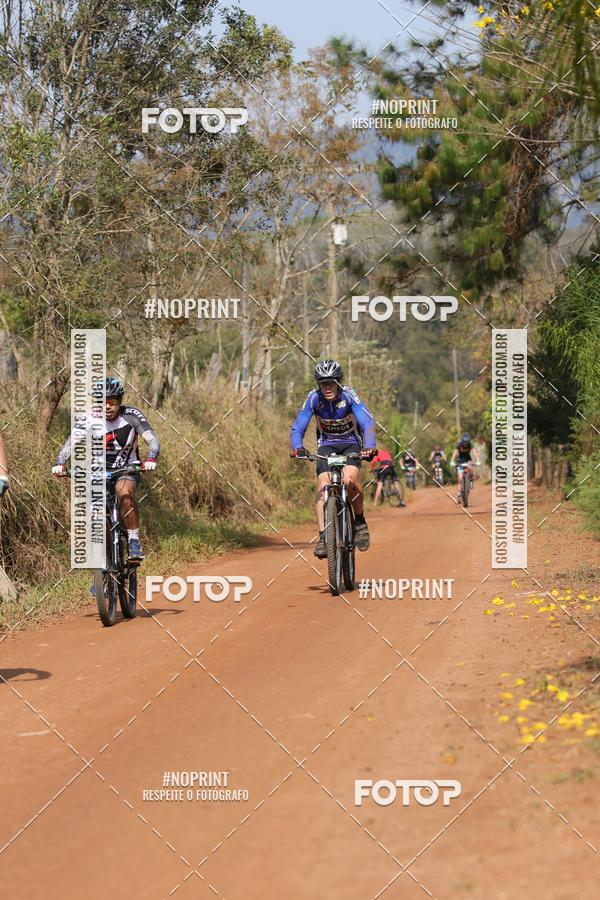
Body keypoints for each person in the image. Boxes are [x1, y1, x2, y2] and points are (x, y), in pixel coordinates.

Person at [52, 377, 159, 560]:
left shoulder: (131, 415)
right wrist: (60, 463)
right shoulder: (89, 418)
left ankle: (133, 540)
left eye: (112, 402)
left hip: (126, 469)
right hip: (97, 471)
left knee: (124, 493)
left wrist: (151, 458)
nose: (107, 407)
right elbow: (71, 443)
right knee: (89, 509)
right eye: (102, 402)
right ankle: (99, 561)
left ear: (120, 401)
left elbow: (152, 439)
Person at [290, 359, 377, 559]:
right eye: (323, 383)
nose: (327, 387)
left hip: (350, 445)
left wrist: (369, 446)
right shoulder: (313, 398)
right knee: (323, 485)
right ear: (318, 384)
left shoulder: (349, 395)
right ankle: (323, 537)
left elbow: (367, 422)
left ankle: (359, 521)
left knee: (349, 480)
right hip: (326, 446)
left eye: (332, 382)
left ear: (339, 382)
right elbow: (298, 427)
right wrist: (298, 447)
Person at [450, 432, 480, 499]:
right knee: (460, 478)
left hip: (468, 459)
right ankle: (459, 493)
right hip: (460, 460)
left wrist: (478, 460)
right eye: (464, 442)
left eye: (467, 443)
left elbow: (474, 452)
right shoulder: (459, 444)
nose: (465, 444)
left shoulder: (470, 444)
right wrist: (452, 461)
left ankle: (471, 480)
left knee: (470, 467)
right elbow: (455, 452)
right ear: (462, 441)